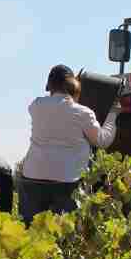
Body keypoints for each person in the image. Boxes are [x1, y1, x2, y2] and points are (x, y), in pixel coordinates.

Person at [18, 64, 119, 223]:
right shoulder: (83, 112)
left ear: (49, 86)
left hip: (33, 176)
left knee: (31, 231)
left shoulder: (36, 106)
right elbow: (102, 140)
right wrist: (113, 114)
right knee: (66, 234)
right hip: (67, 181)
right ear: (73, 85)